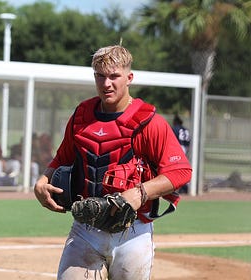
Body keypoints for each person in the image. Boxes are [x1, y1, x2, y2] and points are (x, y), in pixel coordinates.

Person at [34, 45, 192, 280]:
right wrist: (43, 180)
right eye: (100, 76)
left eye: (114, 76)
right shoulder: (81, 116)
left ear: (129, 78)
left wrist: (141, 192)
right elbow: (62, 158)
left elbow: (181, 171)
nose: (106, 83)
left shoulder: (149, 122)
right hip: (86, 229)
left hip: (134, 231)